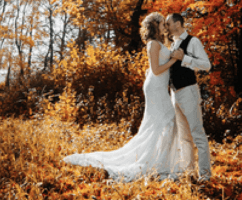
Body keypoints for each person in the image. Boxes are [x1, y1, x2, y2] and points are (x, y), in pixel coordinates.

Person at [62, 12, 196, 182]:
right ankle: (156, 162)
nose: (165, 26)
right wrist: (173, 61)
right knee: (168, 120)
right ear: (155, 26)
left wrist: (176, 57)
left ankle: (161, 161)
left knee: (161, 123)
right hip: (155, 88)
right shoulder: (153, 44)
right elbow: (155, 70)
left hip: (159, 86)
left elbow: (154, 67)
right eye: (162, 23)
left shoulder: (160, 43)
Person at [166, 13, 212, 182]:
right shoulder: (173, 44)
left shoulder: (193, 41)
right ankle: (189, 172)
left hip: (189, 92)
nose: (166, 27)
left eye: (168, 23)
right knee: (184, 137)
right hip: (175, 94)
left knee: (197, 134)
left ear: (177, 24)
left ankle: (205, 176)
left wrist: (184, 58)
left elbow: (206, 65)